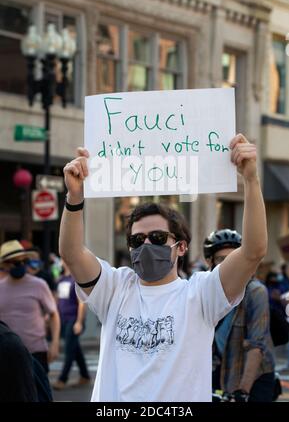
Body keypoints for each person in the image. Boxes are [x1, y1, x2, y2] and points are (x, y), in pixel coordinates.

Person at [59, 133, 267, 402]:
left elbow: (253, 251)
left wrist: (251, 179)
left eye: (157, 238)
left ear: (181, 247)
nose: (146, 245)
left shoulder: (201, 294)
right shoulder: (114, 287)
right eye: (137, 240)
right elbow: (72, 253)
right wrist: (74, 196)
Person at [203, 229, 275, 402]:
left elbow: (256, 346)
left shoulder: (255, 292)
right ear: (210, 262)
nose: (229, 265)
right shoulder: (205, 289)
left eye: (233, 258)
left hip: (254, 376)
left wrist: (243, 391)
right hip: (221, 369)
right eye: (221, 259)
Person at [0, 240, 60, 373]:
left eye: (24, 261)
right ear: (6, 265)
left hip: (36, 352)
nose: (21, 265)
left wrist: (55, 343)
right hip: (6, 354)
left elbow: (53, 314)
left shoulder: (39, 285)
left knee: (39, 393)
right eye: (16, 262)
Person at [52, 260, 90, 390]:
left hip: (73, 320)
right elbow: (57, 300)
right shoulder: (61, 279)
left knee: (69, 350)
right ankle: (85, 376)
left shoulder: (76, 280)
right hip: (63, 319)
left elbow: (82, 303)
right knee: (75, 349)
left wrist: (79, 322)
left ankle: (62, 379)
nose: (62, 261)